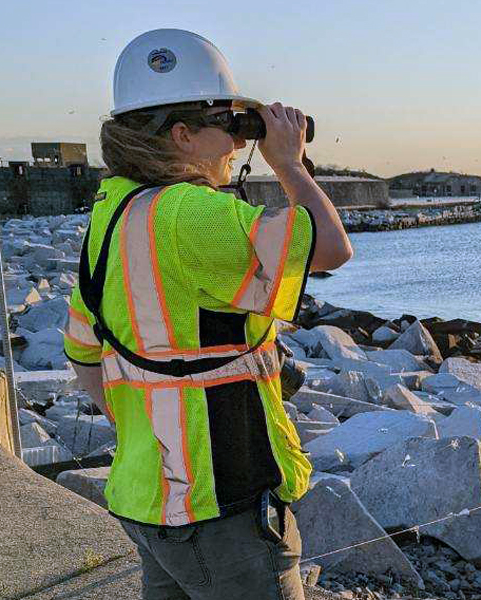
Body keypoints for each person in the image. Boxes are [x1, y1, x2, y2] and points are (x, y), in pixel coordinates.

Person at [62, 29, 352, 599]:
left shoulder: (111, 212)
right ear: (182, 134)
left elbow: (83, 353)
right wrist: (290, 163)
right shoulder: (192, 214)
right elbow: (330, 248)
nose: (239, 145)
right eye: (230, 125)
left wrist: (152, 426)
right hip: (222, 503)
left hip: (150, 499)